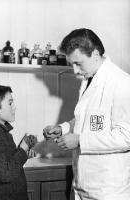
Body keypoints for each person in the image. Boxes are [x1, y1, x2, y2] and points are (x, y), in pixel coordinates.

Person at [43, 28, 130, 200]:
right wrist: (63, 128)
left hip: (108, 190)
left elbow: (126, 136)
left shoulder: (122, 83)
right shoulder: (88, 80)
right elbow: (86, 120)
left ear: (95, 54)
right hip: (82, 185)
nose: (75, 71)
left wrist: (80, 140)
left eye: (78, 63)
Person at [0, 83, 37, 200]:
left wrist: (24, 152)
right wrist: (22, 149)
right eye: (10, 103)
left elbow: (8, 162)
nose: (14, 107)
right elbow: (4, 174)